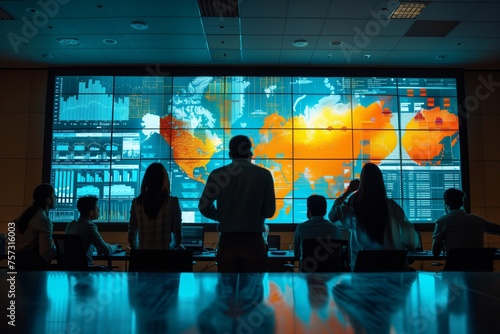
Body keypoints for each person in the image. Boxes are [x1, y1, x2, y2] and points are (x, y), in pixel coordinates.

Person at [198, 135, 276, 272]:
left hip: (228, 241)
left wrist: (222, 216)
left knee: (227, 289)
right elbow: (270, 211)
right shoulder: (264, 175)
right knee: (254, 289)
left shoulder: (217, 174)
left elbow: (204, 206)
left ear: (229, 154)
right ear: (250, 153)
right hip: (254, 242)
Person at [328, 163, 420, 270]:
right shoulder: (392, 206)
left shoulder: (353, 206)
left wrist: (348, 191)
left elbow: (332, 216)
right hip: (393, 269)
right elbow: (410, 241)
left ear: (362, 183)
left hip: (364, 269)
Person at [128, 162, 182, 250]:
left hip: (143, 261)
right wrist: (169, 249)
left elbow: (131, 238)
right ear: (164, 180)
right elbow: (178, 237)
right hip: (165, 261)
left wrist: (138, 252)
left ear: (146, 180)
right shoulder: (172, 202)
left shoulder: (136, 203)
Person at [432, 188, 500, 256]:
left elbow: (435, 252)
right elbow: (498, 230)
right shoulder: (478, 220)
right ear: (462, 203)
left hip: (455, 265)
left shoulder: (442, 222)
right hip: (478, 265)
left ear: (446, 202)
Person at [65, 195, 119, 266]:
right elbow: (107, 250)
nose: (99, 210)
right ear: (91, 212)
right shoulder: (89, 226)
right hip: (85, 270)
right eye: (97, 208)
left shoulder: (71, 224)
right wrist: (116, 246)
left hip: (70, 271)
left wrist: (99, 247)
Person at [14, 184, 56, 270]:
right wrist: (55, 249)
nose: (56, 197)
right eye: (54, 195)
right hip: (33, 269)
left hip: (18, 265)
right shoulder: (43, 220)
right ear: (48, 200)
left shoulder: (25, 215)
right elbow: (45, 253)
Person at [293, 195, 342, 266]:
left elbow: (297, 253)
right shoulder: (335, 229)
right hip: (330, 274)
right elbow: (339, 253)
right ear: (325, 211)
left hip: (307, 273)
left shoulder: (301, 228)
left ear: (308, 211)